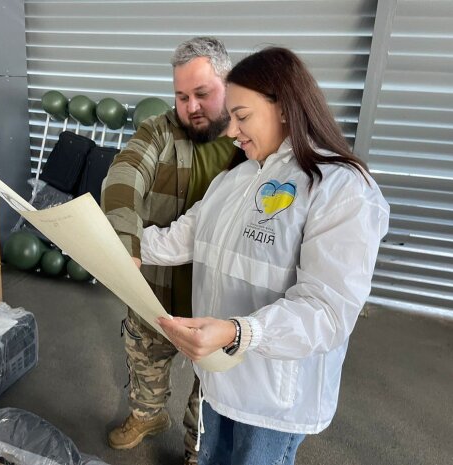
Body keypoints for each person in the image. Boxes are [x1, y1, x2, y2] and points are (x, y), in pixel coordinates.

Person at [140, 47, 390, 465]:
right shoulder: (234, 180)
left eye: (241, 115)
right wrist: (112, 239)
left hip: (274, 396)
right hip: (219, 377)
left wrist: (241, 333)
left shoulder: (340, 188)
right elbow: (178, 240)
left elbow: (327, 312)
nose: (229, 131)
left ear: (286, 108)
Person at [101, 37, 241, 464]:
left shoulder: (248, 141)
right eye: (181, 96)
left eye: (202, 94)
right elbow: (124, 174)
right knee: (145, 361)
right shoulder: (158, 131)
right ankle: (147, 415)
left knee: (211, 392)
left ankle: (196, 450)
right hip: (155, 291)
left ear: (228, 85)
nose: (191, 106)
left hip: (217, 300)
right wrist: (124, 246)